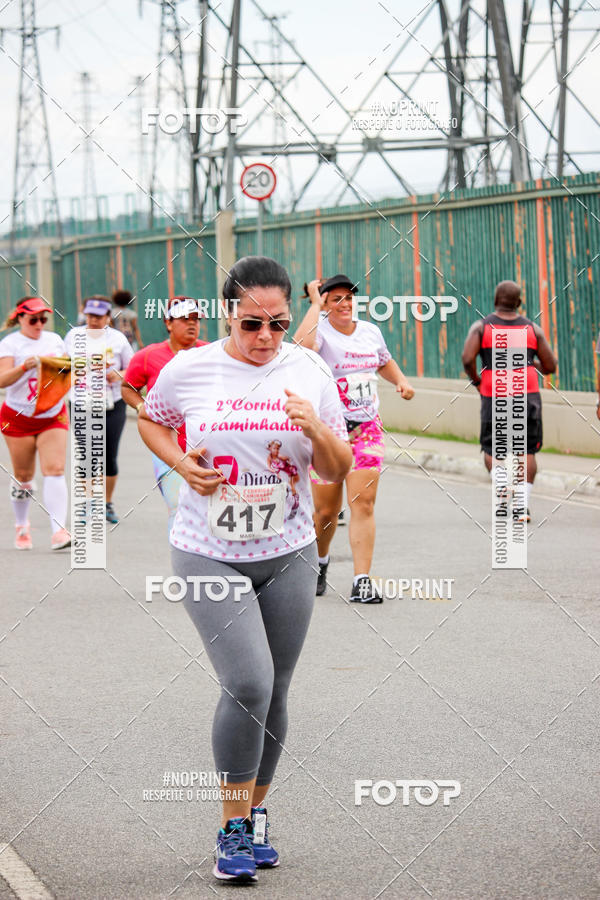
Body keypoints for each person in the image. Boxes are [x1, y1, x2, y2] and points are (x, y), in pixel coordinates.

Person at [137, 256, 351, 883]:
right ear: (228, 311)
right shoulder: (192, 367)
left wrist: (315, 426)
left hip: (286, 550)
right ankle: (230, 830)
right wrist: (180, 463)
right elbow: (153, 420)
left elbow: (337, 467)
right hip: (208, 548)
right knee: (249, 683)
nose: (264, 338)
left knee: (277, 689)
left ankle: (255, 816)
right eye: (252, 323)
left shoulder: (309, 369)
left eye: (278, 324)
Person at [293, 274, 415, 603]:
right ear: (325, 305)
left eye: (349, 298)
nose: (345, 304)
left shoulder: (370, 332)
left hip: (366, 427)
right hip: (329, 432)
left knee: (364, 503)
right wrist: (317, 305)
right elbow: (301, 346)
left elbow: (383, 360)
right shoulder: (321, 333)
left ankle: (362, 580)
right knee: (325, 512)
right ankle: (319, 562)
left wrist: (400, 381)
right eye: (336, 299)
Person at [461, 279, 557, 522]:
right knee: (526, 450)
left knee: (493, 447)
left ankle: (503, 493)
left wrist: (477, 381)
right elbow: (550, 366)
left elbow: (466, 357)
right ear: (520, 303)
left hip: (494, 395)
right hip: (527, 395)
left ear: (495, 301)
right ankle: (521, 507)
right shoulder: (533, 330)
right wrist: (530, 363)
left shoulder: (481, 328)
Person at [121, 297, 207, 531]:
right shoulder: (147, 356)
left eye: (196, 319)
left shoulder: (210, 354)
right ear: (168, 323)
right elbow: (128, 387)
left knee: (206, 509)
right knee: (178, 506)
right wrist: (142, 409)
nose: (192, 324)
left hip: (205, 447)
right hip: (167, 447)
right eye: (184, 319)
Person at [0, 296, 71, 550]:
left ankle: (59, 531)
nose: (40, 324)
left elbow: (66, 370)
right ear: (20, 318)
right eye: (33, 319)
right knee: (23, 476)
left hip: (51, 414)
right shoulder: (10, 344)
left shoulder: (54, 340)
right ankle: (22, 525)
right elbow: (1, 380)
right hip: (18, 417)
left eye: (43, 319)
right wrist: (24, 367)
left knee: (55, 468)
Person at [64, 296, 134, 523]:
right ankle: (85, 503)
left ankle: (106, 503)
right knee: (86, 454)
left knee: (108, 455)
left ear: (108, 317)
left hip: (112, 404)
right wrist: (74, 373)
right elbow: (63, 367)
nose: (93, 320)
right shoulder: (74, 336)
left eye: (98, 316)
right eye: (90, 315)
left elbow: (130, 370)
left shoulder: (118, 339)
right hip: (81, 402)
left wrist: (117, 374)